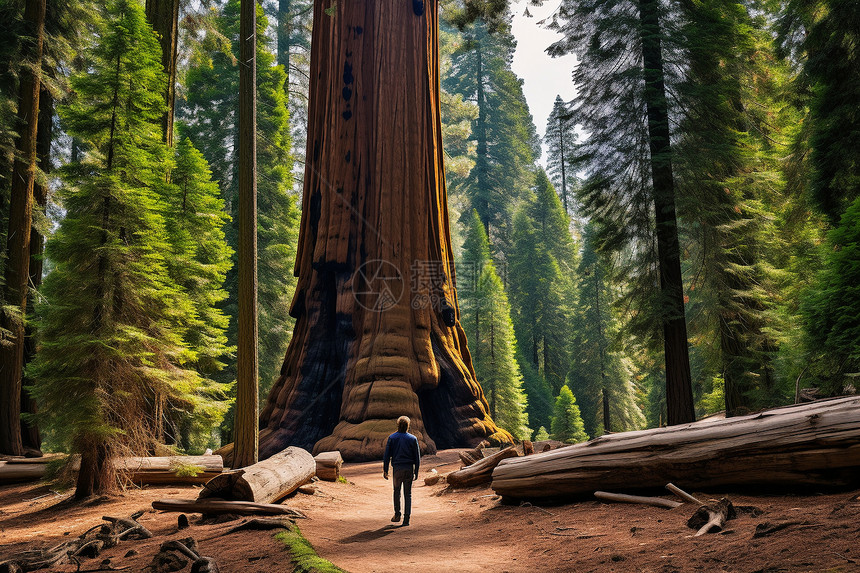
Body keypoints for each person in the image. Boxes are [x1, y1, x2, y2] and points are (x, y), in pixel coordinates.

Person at [382, 415, 421, 526]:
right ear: (408, 426)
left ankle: (397, 514)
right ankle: (406, 519)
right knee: (408, 494)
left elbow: (387, 456)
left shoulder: (392, 438)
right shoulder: (413, 439)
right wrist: (416, 471)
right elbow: (417, 457)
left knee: (396, 492)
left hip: (397, 470)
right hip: (409, 469)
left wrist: (385, 470)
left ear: (398, 425)